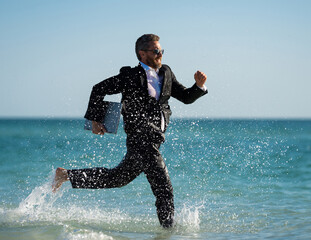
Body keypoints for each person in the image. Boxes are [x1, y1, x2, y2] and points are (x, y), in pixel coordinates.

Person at [52, 34, 207, 228]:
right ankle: (168, 232)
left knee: (116, 178)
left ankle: (66, 175)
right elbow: (98, 89)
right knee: (164, 189)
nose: (160, 54)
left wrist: (199, 86)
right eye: (156, 51)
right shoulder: (130, 76)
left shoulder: (166, 73)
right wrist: (95, 120)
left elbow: (185, 97)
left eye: (161, 50)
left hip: (154, 141)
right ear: (142, 54)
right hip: (141, 140)